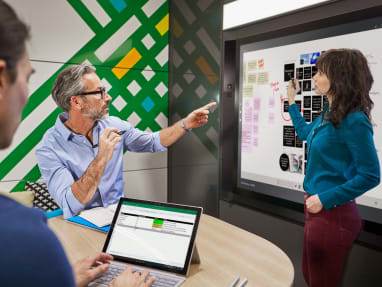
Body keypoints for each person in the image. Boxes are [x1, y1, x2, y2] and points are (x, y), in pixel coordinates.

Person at [0, 1, 154, 286]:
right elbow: (70, 204)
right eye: (27, 77)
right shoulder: (26, 236)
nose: (25, 93)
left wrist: (66, 279)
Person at [35, 63, 216, 218]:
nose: (108, 97)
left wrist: (186, 123)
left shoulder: (113, 124)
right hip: (80, 226)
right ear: (76, 102)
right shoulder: (49, 148)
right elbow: (71, 203)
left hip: (119, 219)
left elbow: (152, 141)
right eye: (99, 92)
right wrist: (102, 157)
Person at [287, 48, 380, 287]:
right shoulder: (329, 114)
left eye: (320, 72)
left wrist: (325, 199)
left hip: (333, 216)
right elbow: (305, 133)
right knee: (310, 277)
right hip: (316, 212)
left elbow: (371, 175)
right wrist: (291, 103)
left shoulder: (355, 120)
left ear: (339, 77)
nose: (314, 78)